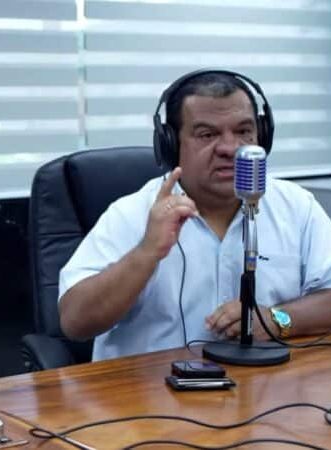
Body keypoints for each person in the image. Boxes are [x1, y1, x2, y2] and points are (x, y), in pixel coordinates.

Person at [57, 70, 331, 361]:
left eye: (243, 131)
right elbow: (75, 322)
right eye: (207, 134)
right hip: (150, 385)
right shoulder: (132, 214)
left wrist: (277, 319)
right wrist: (147, 252)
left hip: (268, 383)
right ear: (171, 144)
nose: (230, 148)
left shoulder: (296, 207)